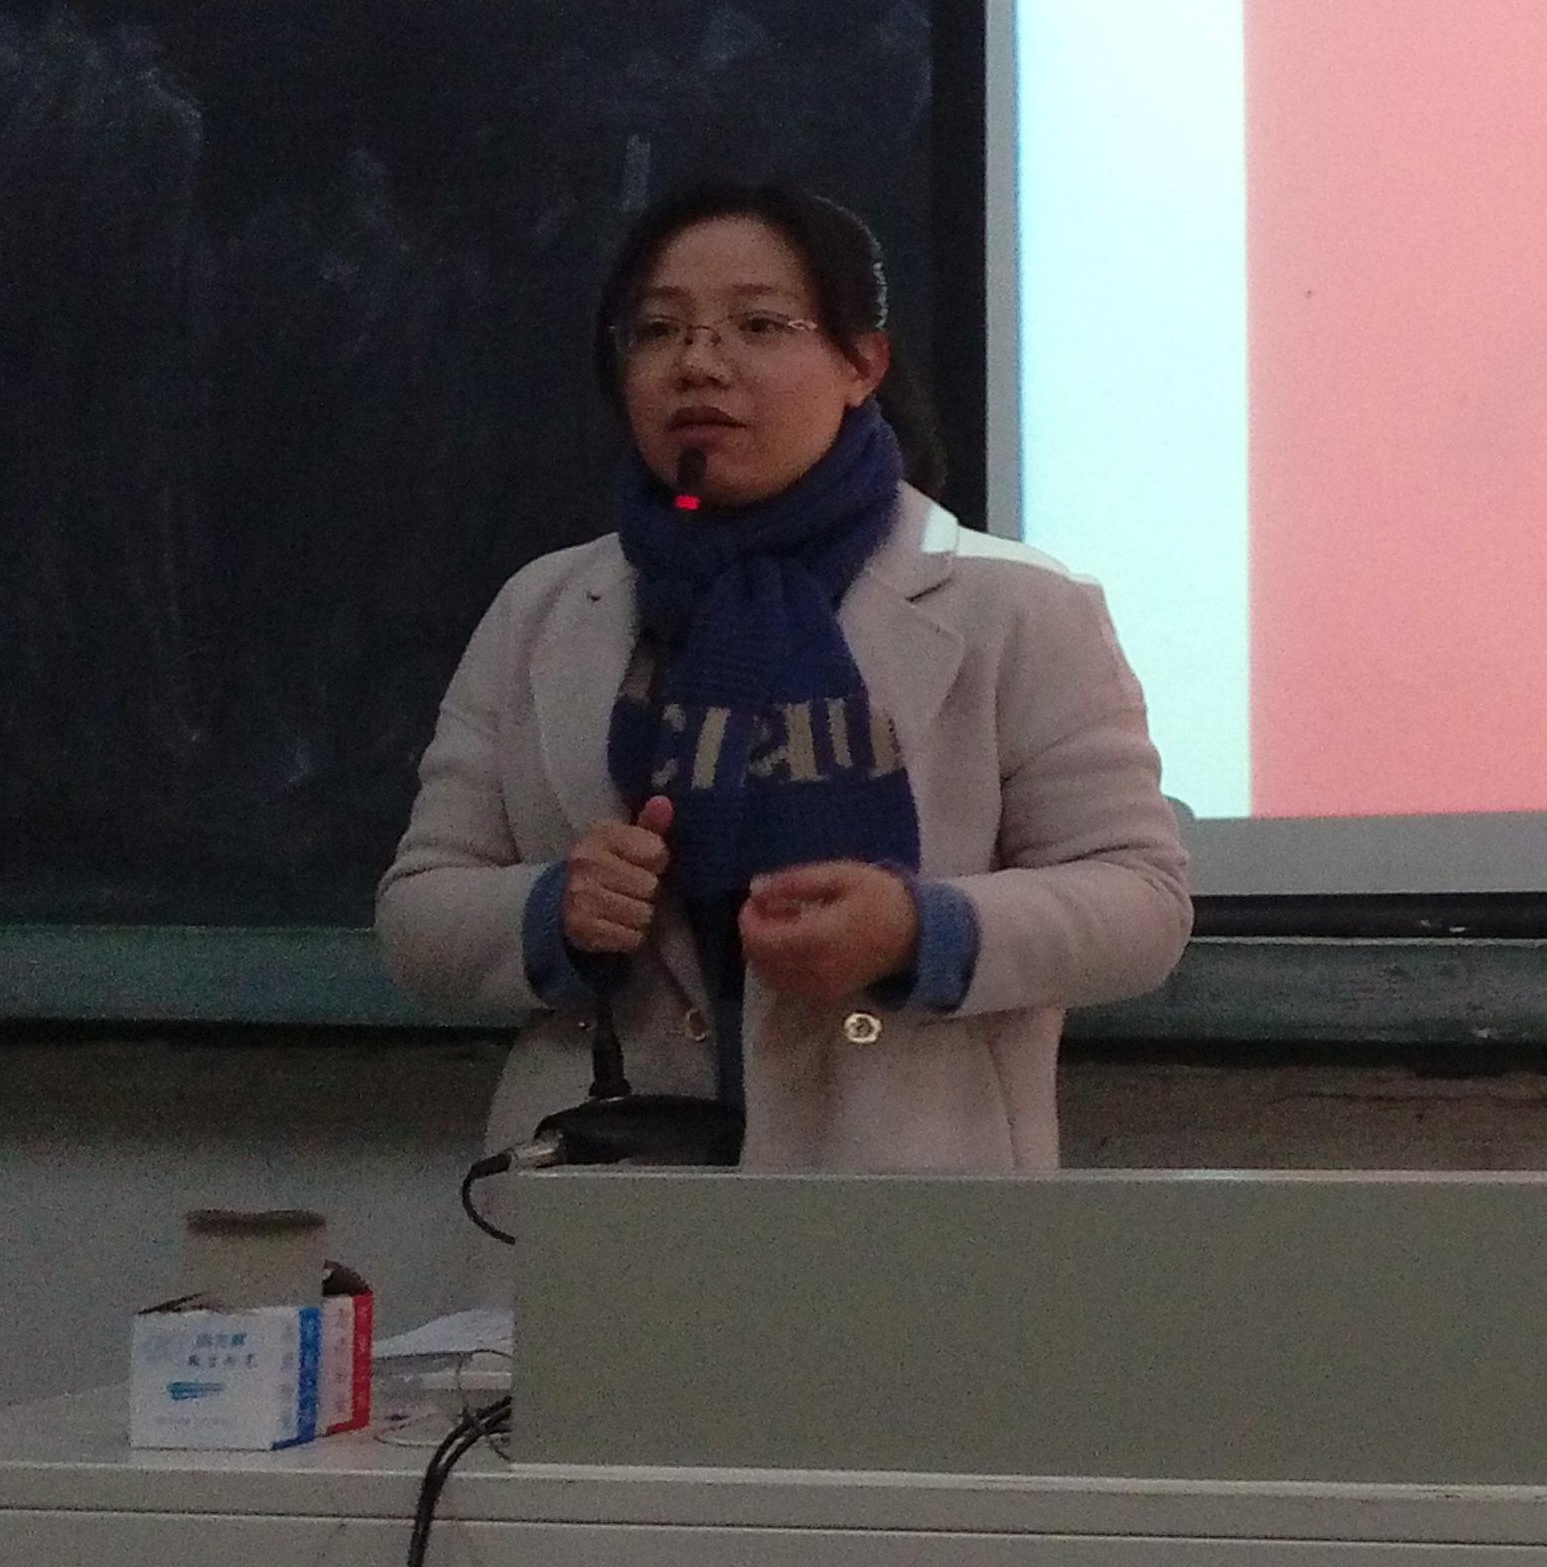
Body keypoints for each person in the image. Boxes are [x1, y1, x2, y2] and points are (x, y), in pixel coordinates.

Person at [379, 181, 1191, 1170]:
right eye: (658, 331)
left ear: (862, 364)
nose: (699, 363)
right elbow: (419, 914)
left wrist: (917, 929)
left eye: (759, 325)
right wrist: (554, 909)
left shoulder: (1015, 605)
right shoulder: (544, 609)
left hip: (912, 1198)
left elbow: (1141, 906)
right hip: (608, 1197)